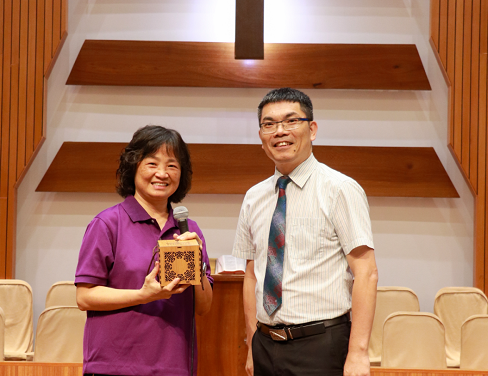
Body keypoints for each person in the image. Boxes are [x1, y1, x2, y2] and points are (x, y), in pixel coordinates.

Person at [232, 88, 378, 376]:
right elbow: (252, 274)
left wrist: (358, 354)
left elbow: (366, 272)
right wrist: (252, 343)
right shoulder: (253, 196)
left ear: (312, 129)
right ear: (261, 136)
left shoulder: (339, 189)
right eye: (269, 124)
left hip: (320, 346)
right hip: (265, 344)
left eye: (291, 121)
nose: (279, 131)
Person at [75, 125, 213, 376]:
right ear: (133, 167)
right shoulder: (108, 224)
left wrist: (198, 265)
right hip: (114, 367)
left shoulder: (188, 230)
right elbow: (85, 297)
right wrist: (143, 295)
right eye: (152, 163)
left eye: (172, 165)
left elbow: (203, 308)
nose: (162, 173)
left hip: (175, 366)